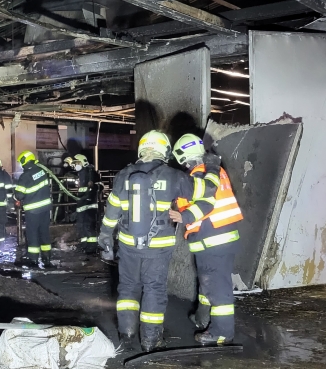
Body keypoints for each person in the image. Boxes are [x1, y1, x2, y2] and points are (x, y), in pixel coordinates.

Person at [97, 130, 191, 352]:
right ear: (164, 150)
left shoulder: (123, 175)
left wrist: (105, 235)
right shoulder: (174, 175)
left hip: (128, 243)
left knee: (128, 287)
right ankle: (150, 340)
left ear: (142, 149)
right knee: (154, 288)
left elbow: (112, 210)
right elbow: (199, 195)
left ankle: (127, 334)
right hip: (159, 246)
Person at [170, 134, 243, 345]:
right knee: (208, 282)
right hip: (217, 237)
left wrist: (183, 216)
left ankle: (222, 332)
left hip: (213, 238)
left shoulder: (198, 174)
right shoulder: (213, 171)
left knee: (217, 286)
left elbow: (206, 204)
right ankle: (202, 317)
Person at [14, 151, 54, 268]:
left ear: (24, 161)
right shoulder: (42, 171)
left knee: (33, 234)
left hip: (33, 211)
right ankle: (47, 258)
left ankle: (33, 259)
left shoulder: (25, 176)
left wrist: (14, 196)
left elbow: (19, 195)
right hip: (45, 209)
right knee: (44, 233)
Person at [70, 154, 100, 254]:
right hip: (82, 205)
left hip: (89, 205)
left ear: (82, 162)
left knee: (88, 227)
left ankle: (92, 247)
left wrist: (90, 192)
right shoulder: (81, 173)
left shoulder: (91, 172)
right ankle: (84, 245)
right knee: (81, 227)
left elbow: (98, 186)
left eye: (77, 163)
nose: (75, 165)